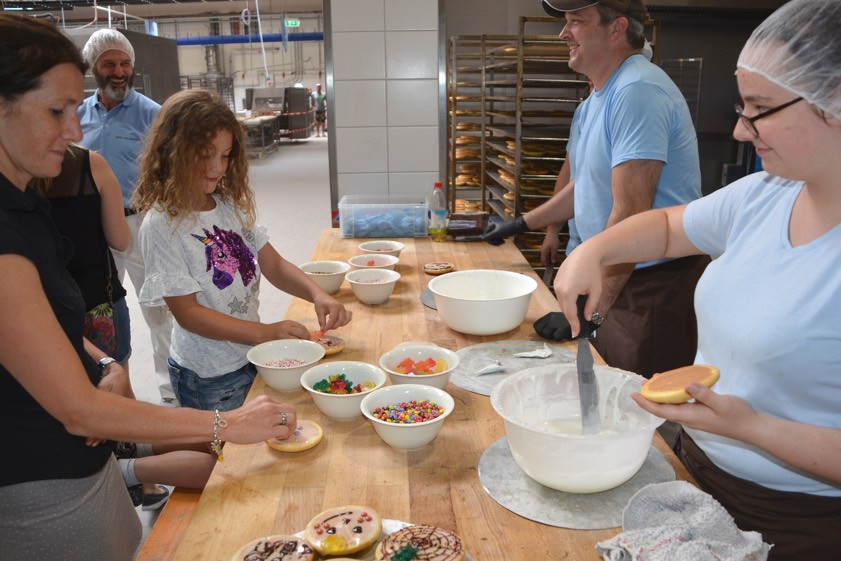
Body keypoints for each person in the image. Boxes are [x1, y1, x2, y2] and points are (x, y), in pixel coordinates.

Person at [0, 15, 297, 560]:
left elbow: (36, 330)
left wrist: (99, 360)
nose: (74, 130)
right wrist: (225, 423)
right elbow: (77, 410)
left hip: (81, 461)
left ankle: (130, 473)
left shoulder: (25, 204)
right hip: (38, 481)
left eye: (75, 108)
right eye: (57, 111)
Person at [553, 0, 841, 557]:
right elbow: (663, 227)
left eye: (759, 108)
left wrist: (753, 427)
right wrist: (594, 250)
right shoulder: (764, 196)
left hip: (798, 522)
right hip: (694, 480)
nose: (738, 127)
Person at [483, 0, 707, 379]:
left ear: (617, 29)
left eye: (577, 22)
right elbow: (584, 186)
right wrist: (522, 224)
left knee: (633, 406)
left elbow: (631, 212)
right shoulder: (596, 101)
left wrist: (594, 308)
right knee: (598, 394)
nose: (563, 33)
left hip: (646, 285)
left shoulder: (637, 91)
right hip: (612, 276)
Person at [133, 89, 352, 412]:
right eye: (205, 155)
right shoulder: (162, 224)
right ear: (173, 152)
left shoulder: (227, 206)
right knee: (223, 458)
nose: (217, 167)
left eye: (225, 155)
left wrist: (317, 294)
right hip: (207, 375)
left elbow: (273, 265)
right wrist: (264, 333)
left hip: (248, 355)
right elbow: (189, 313)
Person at [77, 28, 177, 405]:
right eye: (109, 64)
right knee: (102, 315)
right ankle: (110, 396)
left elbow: (169, 171)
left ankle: (171, 396)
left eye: (125, 63)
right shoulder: (77, 115)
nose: (119, 71)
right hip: (93, 231)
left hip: (141, 224)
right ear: (93, 67)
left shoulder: (153, 114)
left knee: (159, 312)